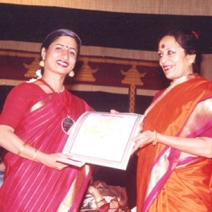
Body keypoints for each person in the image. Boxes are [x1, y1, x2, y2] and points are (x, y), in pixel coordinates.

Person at [0, 29, 93, 211]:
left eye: (72, 52)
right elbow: (2, 133)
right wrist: (44, 158)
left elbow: (100, 138)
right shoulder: (24, 91)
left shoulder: (81, 106)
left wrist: (115, 122)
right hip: (25, 188)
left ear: (75, 63)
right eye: (59, 48)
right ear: (44, 53)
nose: (65, 55)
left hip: (61, 190)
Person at [132, 27, 212, 212]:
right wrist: (121, 128)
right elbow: (146, 148)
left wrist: (158, 137)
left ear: (191, 56)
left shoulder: (206, 93)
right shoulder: (159, 98)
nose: (163, 60)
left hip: (186, 194)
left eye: (170, 53)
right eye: (160, 54)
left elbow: (209, 148)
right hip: (151, 186)